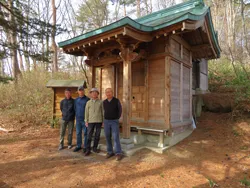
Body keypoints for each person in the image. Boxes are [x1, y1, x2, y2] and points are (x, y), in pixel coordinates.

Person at [103, 88, 123, 161]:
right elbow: (103, 111)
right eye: (107, 92)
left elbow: (120, 110)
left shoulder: (116, 101)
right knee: (107, 136)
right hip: (106, 121)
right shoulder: (104, 102)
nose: (108, 93)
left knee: (115, 137)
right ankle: (110, 152)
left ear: (112, 93)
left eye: (109, 92)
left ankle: (118, 153)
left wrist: (117, 118)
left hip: (114, 121)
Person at [84, 88, 104, 156]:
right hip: (90, 121)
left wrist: (103, 121)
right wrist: (86, 120)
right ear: (91, 94)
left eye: (96, 92)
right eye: (92, 92)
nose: (94, 94)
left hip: (99, 121)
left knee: (97, 135)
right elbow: (86, 112)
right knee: (89, 135)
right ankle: (88, 149)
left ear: (97, 94)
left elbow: (103, 112)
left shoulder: (100, 102)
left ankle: (95, 148)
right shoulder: (88, 102)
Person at [73, 86, 90, 153]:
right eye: (79, 90)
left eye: (82, 90)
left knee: (85, 133)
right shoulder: (76, 100)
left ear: (84, 91)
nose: (81, 91)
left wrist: (87, 119)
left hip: (85, 120)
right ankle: (78, 146)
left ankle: (85, 146)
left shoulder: (87, 99)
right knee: (78, 133)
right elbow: (75, 109)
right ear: (78, 91)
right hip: (78, 120)